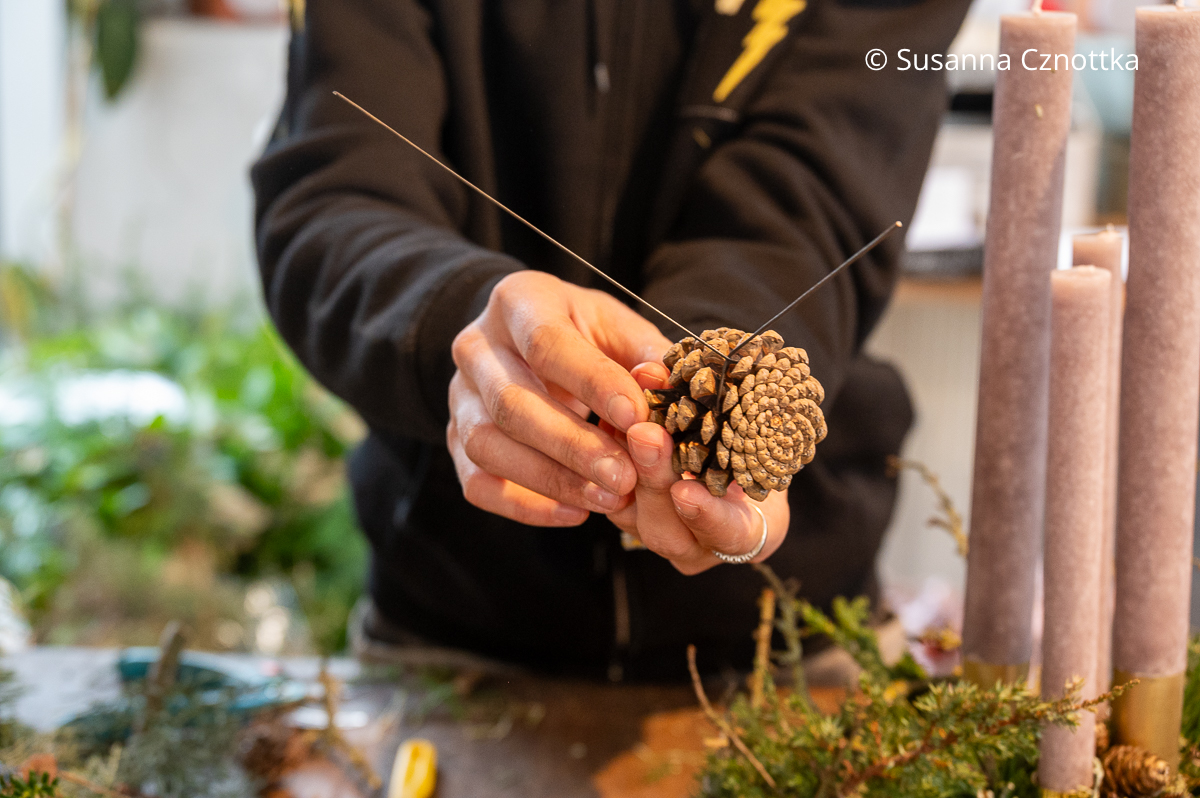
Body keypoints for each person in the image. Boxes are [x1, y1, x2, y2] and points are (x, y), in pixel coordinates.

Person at [253, 0, 969, 680]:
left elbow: (820, 185)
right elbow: (338, 185)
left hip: (790, 641)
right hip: (459, 621)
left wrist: (696, 376)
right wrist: (464, 318)